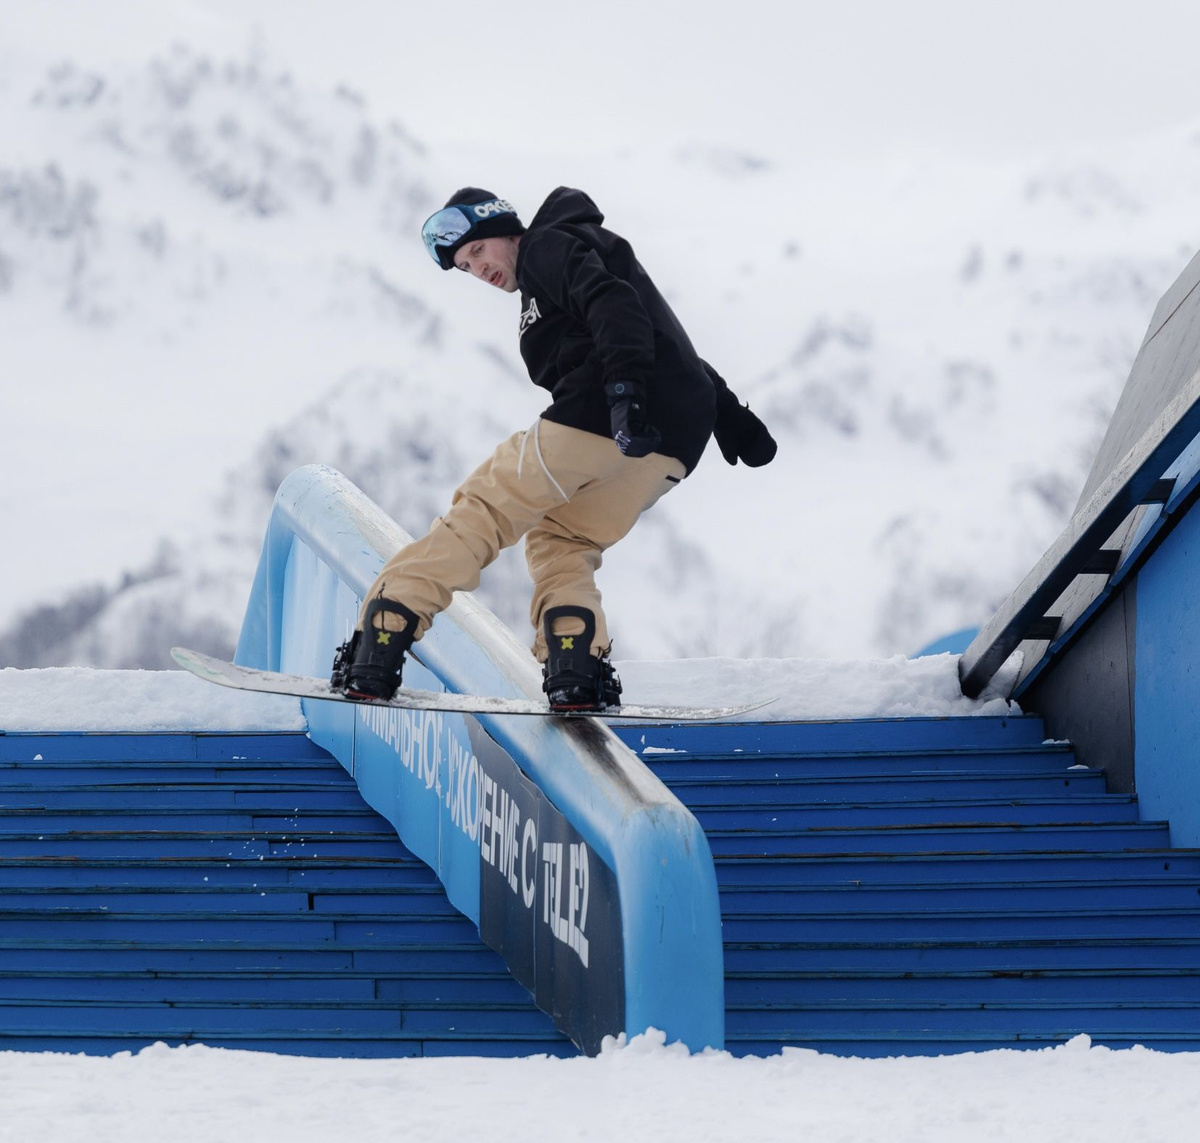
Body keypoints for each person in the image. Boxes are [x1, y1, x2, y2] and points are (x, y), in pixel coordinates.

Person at [330, 186, 776, 710]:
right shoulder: (573, 256)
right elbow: (661, 333)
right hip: (666, 452)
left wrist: (623, 393)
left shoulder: (548, 245)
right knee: (561, 540)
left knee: (484, 512)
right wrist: (730, 415)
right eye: (466, 268)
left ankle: (381, 642)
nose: (478, 271)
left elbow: (616, 308)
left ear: (503, 229)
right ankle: (575, 667)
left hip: (602, 418)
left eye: (477, 252)